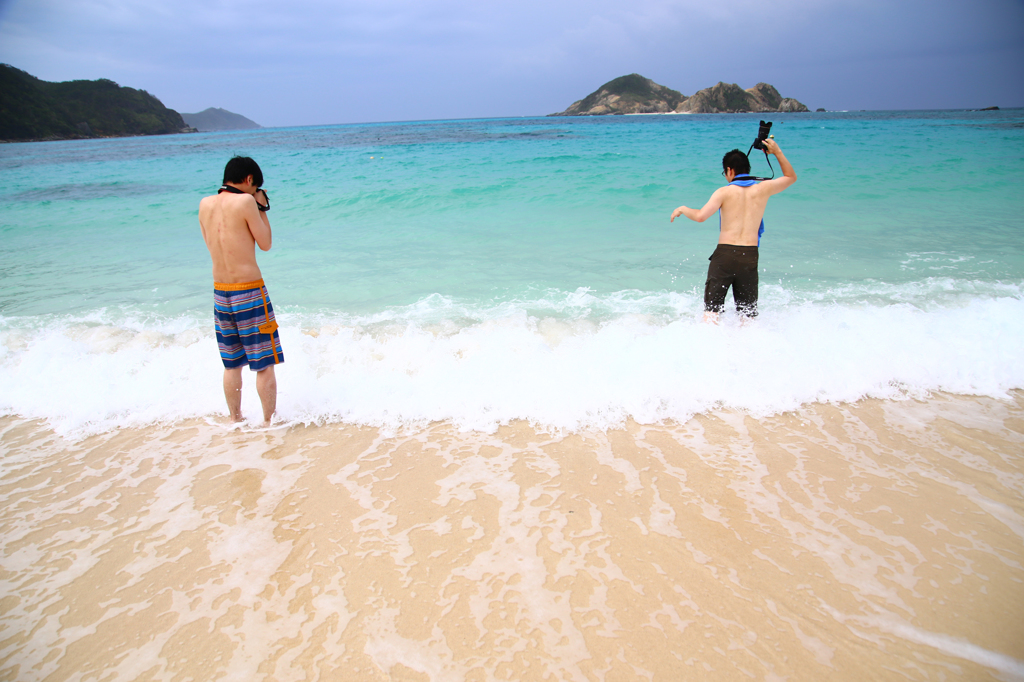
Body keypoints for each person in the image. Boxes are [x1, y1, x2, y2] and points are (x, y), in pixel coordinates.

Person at [670, 138, 796, 322]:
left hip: (725, 255)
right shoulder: (763, 189)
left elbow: (700, 216)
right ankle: (747, 348)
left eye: (725, 172)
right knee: (747, 316)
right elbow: (791, 177)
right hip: (750, 255)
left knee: (712, 312)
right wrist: (776, 152)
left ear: (729, 170)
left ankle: (709, 347)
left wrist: (682, 208)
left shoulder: (724, 192)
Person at [199, 156, 283, 425]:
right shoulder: (246, 201)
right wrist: (262, 206)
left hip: (221, 292)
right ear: (249, 180)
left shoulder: (204, 204)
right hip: (249, 291)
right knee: (263, 362)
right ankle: (269, 421)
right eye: (255, 185)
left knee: (232, 362)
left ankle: (235, 419)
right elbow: (266, 243)